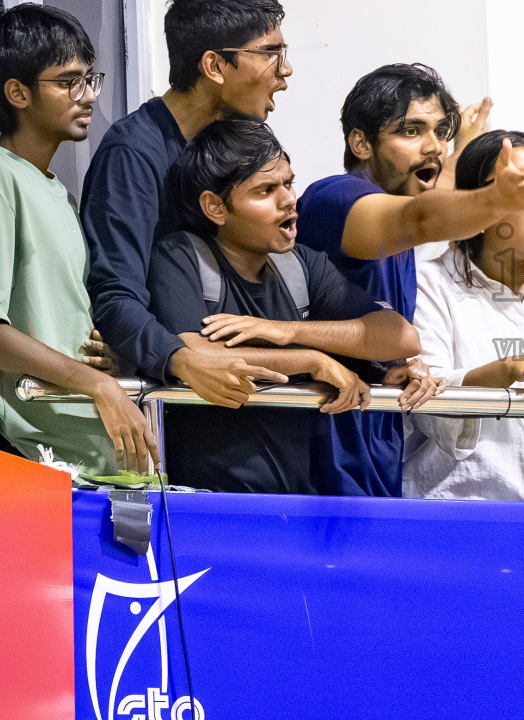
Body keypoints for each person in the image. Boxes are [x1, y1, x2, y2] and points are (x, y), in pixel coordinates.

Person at [295, 65, 524, 493]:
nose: (433, 147)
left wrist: (399, 370)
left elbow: (430, 202)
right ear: (360, 142)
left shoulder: (404, 211)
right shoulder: (335, 198)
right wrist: (496, 198)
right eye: (411, 131)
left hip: (377, 456)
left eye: (440, 132)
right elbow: (421, 216)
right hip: (320, 460)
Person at [146, 120, 423, 494]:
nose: (289, 199)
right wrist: (311, 359)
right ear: (215, 207)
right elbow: (193, 350)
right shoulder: (180, 255)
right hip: (202, 505)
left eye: (289, 184)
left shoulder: (302, 264)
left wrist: (288, 331)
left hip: (295, 505)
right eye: (265, 190)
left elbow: (402, 339)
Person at [82, 0, 295, 407]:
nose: (285, 72)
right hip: (183, 413)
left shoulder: (239, 140)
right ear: (214, 66)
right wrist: (177, 358)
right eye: (271, 54)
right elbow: (115, 295)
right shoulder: (133, 153)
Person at [0, 4, 159, 479]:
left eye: (89, 79)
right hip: (48, 459)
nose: (88, 96)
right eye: (67, 82)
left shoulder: (58, 189)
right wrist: (97, 384)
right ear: (17, 92)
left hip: (97, 451)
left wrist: (107, 362)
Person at [404, 130, 524, 501]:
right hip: (464, 521)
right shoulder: (430, 283)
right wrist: (509, 368)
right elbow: (428, 404)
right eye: (522, 183)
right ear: (482, 201)